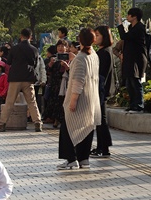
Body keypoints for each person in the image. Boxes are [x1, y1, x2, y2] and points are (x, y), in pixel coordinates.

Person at [57, 28, 101, 170]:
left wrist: (73, 100)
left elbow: (78, 80)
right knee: (87, 127)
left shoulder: (80, 58)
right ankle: (84, 158)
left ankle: (71, 159)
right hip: (92, 98)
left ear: (80, 40)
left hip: (80, 97)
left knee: (68, 128)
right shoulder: (94, 55)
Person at [0, 29, 43, 132]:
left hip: (15, 78)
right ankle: (37, 122)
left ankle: (2, 123)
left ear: (21, 36)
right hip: (28, 77)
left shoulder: (15, 48)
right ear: (30, 37)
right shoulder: (34, 49)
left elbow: (9, 62)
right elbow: (35, 64)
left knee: (10, 101)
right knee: (32, 101)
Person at [117, 7, 147, 113]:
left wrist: (120, 24)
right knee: (129, 82)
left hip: (137, 59)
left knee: (135, 81)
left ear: (134, 16)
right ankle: (133, 104)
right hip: (130, 58)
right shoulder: (132, 27)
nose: (127, 16)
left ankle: (139, 105)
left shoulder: (139, 28)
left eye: (129, 15)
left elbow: (124, 36)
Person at [91, 26, 114, 159]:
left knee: (101, 119)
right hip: (101, 90)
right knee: (100, 119)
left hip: (100, 90)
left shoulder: (104, 53)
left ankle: (103, 148)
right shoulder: (104, 51)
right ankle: (102, 146)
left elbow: (100, 75)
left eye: (98, 35)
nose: (96, 37)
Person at [43, 40, 70, 128]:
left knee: (61, 102)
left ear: (66, 47)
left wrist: (66, 66)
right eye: (59, 46)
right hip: (54, 84)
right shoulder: (54, 58)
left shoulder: (69, 57)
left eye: (62, 46)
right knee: (53, 101)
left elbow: (72, 71)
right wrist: (50, 64)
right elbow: (48, 71)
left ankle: (60, 120)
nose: (60, 48)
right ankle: (54, 119)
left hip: (63, 83)